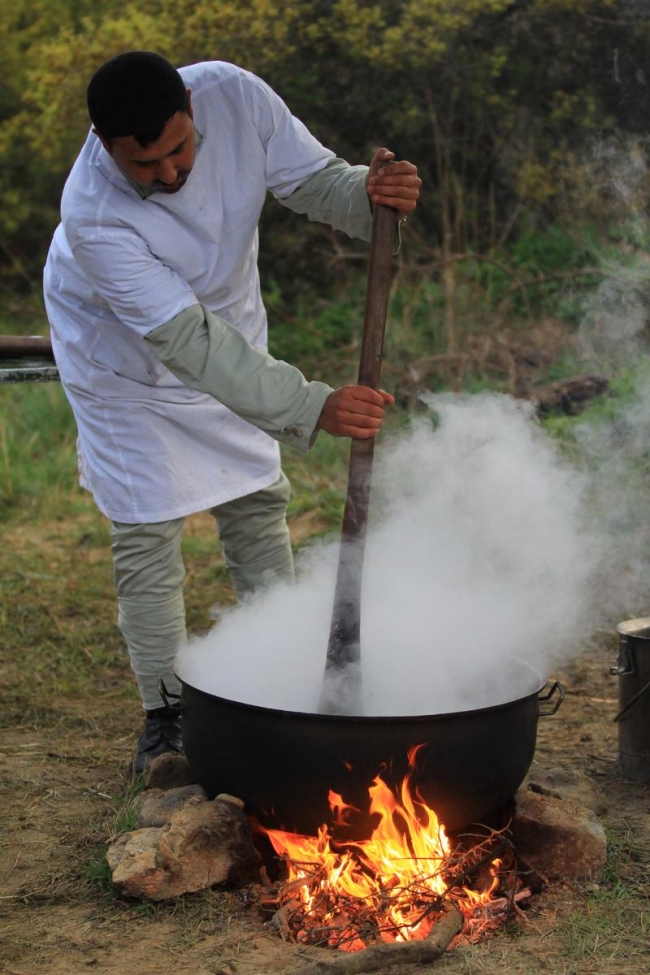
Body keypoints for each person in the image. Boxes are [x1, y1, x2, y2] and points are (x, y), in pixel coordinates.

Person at [43, 51, 421, 774]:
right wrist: (308, 404)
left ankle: (280, 676)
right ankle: (167, 718)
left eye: (179, 148)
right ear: (102, 143)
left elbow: (316, 181)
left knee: (256, 498)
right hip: (121, 354)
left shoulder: (234, 95)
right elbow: (186, 343)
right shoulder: (91, 215)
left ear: (191, 102)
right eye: (143, 164)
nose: (170, 173)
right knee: (148, 525)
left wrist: (372, 193)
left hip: (225, 322)